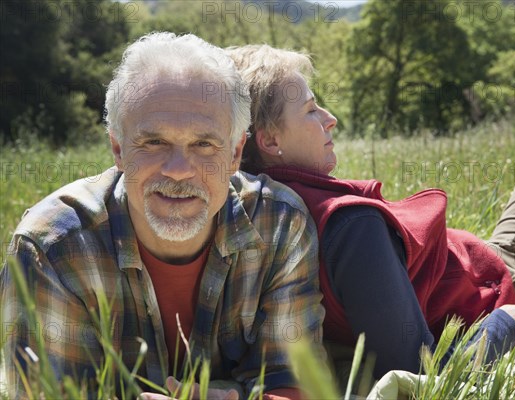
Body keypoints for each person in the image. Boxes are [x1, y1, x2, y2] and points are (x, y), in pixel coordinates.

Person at [228, 44, 515, 378]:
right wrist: (509, 322)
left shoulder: (245, 217)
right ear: (270, 139)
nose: (330, 118)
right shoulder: (350, 226)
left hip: (475, 270)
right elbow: (414, 371)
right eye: (311, 109)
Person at [0, 33, 326, 400]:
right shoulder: (51, 249)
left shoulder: (281, 225)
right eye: (153, 143)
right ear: (118, 149)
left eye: (203, 144)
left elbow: (295, 382)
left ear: (236, 153)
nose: (178, 170)